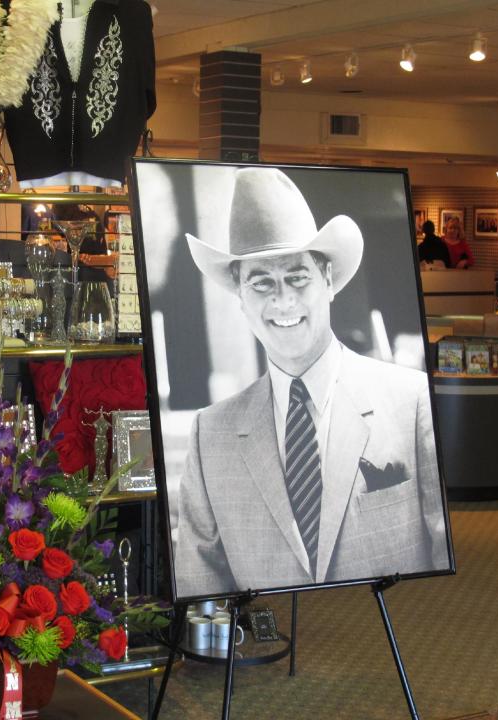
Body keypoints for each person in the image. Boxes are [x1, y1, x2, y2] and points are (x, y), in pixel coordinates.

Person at [173, 167, 449, 598]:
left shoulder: (411, 402)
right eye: (261, 282)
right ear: (241, 300)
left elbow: (441, 554)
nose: (282, 299)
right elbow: (200, 583)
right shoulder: (212, 434)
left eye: (297, 276)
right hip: (266, 659)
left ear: (329, 281)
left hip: (389, 649)